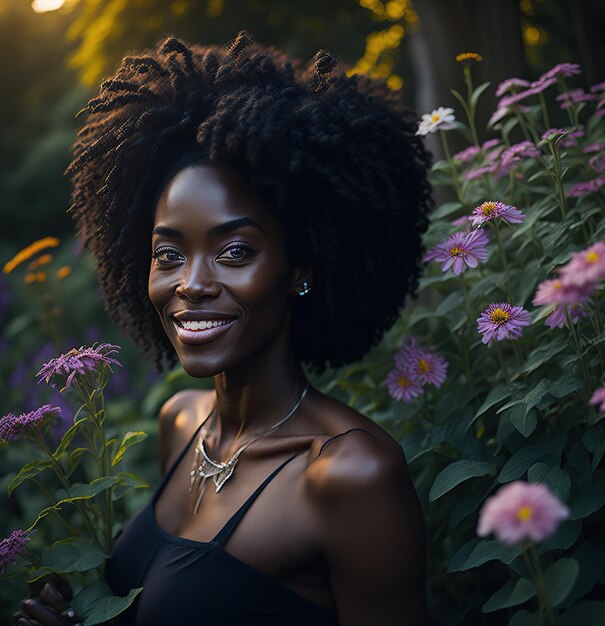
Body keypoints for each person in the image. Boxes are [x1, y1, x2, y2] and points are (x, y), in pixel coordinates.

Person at [14, 30, 432, 626]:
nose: (190, 283)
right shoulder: (181, 422)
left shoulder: (349, 475)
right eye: (168, 254)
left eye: (234, 252)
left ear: (300, 269)